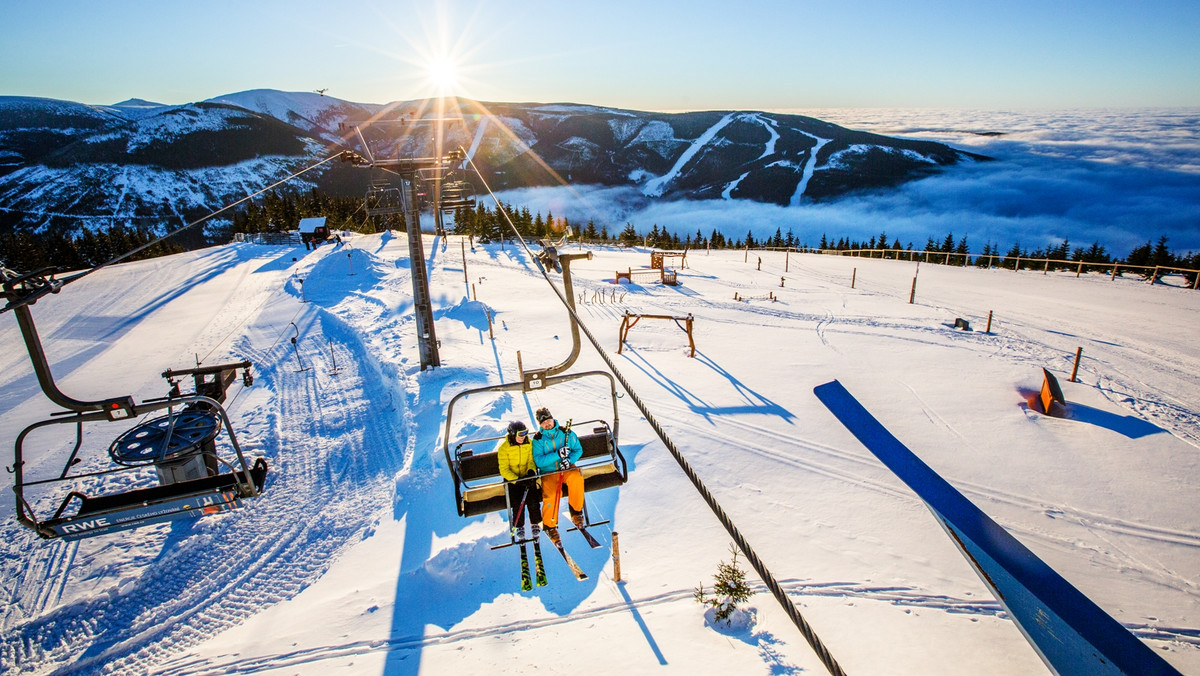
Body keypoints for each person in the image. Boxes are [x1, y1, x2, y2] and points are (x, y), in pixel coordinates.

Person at [530, 406, 584, 536]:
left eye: (548, 420)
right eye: (543, 423)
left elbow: (578, 449)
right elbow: (539, 461)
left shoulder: (566, 433)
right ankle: (550, 525)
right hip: (549, 472)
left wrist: (569, 460)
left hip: (566, 469)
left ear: (552, 419)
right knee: (551, 495)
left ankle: (576, 512)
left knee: (576, 478)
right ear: (540, 425)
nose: (547, 424)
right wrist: (558, 454)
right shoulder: (538, 440)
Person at [497, 420, 541, 536]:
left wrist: (531, 472)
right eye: (520, 434)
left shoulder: (529, 443)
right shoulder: (504, 448)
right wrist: (517, 480)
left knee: (533, 499)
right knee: (517, 502)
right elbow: (504, 470)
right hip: (513, 480)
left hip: (527, 476)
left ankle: (535, 522)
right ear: (513, 434)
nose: (523, 437)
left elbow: (531, 460)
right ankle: (519, 525)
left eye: (525, 433)